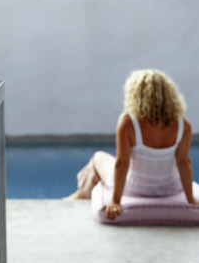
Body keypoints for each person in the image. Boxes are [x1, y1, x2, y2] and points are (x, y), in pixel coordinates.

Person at [66, 69, 199, 219]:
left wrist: (115, 201)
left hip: (134, 189)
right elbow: (184, 162)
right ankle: (81, 194)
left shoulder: (128, 122)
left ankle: (82, 194)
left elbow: (122, 163)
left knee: (98, 157)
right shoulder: (183, 124)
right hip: (169, 188)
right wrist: (190, 199)